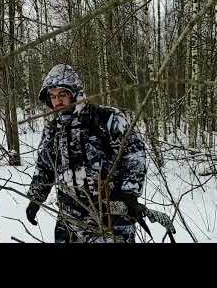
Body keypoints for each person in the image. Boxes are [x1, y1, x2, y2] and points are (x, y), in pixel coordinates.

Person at [26, 63, 147, 243]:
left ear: (75, 93)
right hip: (69, 218)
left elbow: (134, 156)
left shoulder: (106, 118)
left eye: (62, 94)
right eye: (52, 96)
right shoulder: (53, 129)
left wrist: (127, 195)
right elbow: (45, 167)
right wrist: (36, 198)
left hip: (109, 215)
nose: (57, 101)